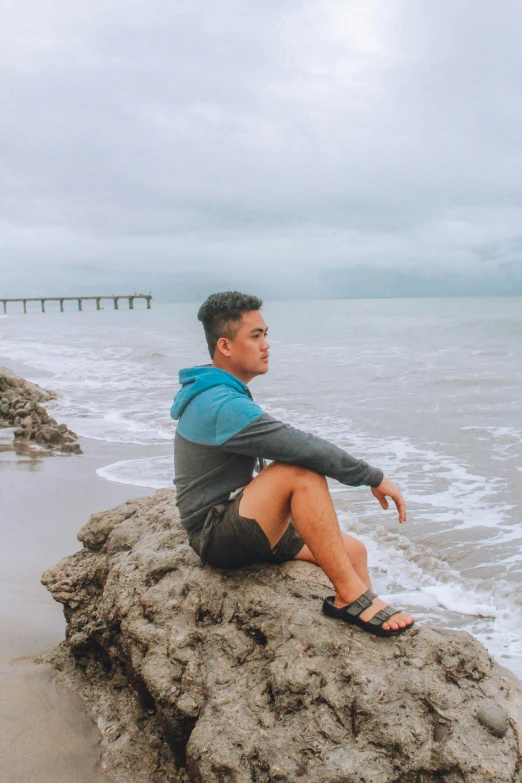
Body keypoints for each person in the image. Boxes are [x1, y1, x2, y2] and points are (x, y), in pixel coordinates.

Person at [171, 291, 415, 637]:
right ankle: (351, 597)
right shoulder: (220, 404)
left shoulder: (218, 390)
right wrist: (373, 477)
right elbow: (300, 447)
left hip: (246, 519)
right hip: (216, 536)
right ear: (225, 346)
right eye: (255, 336)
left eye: (265, 334)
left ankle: (361, 620)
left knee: (355, 552)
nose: (266, 345)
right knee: (299, 470)